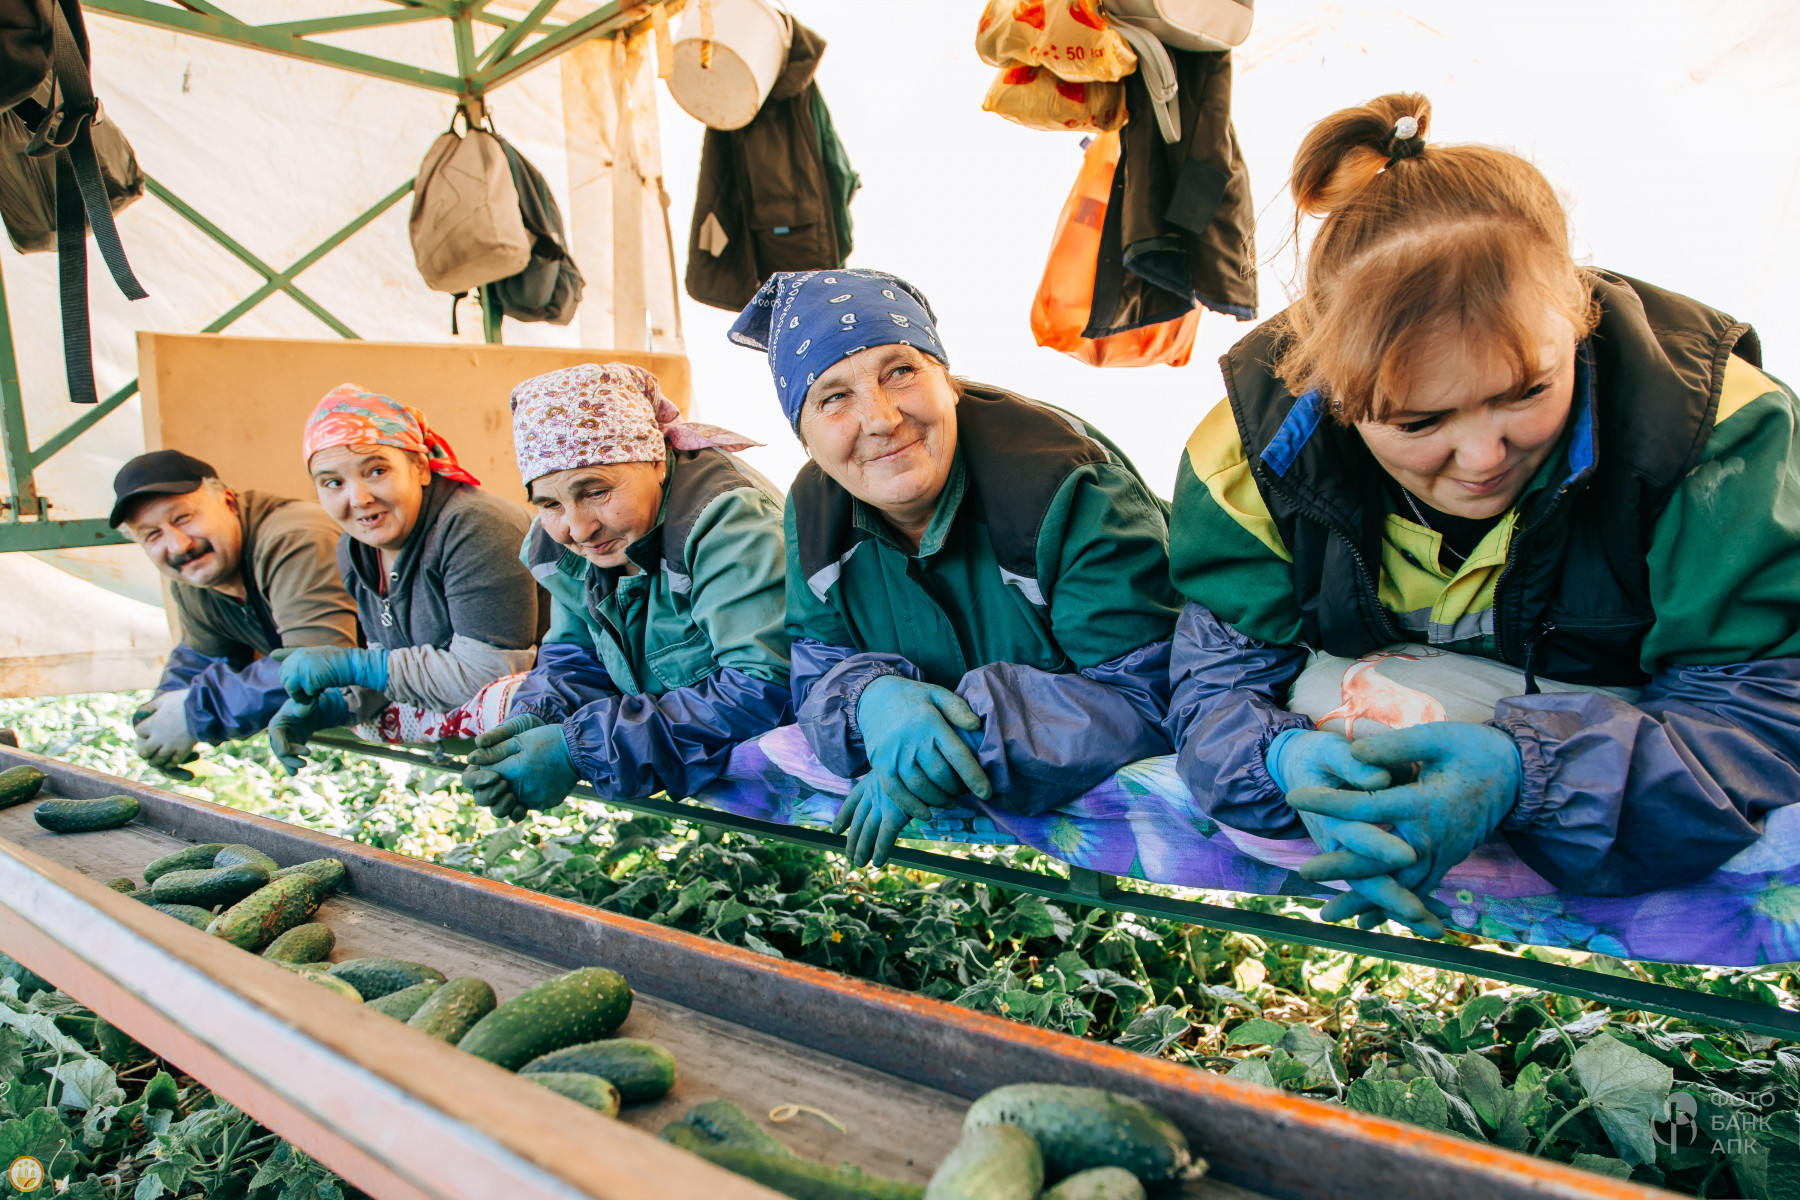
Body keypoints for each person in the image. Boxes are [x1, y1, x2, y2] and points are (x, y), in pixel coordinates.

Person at [1165, 93, 1800, 935]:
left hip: (1632, 716)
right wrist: (1277, 758)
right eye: (1418, 422)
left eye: (1527, 392)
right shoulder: (1247, 456)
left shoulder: (1715, 437)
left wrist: (1531, 773)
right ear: (1334, 393)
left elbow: (1760, 709)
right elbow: (1215, 682)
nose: (1483, 457)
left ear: (1577, 319)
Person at [730, 269, 1183, 868]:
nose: (881, 418)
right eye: (833, 397)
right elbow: (817, 669)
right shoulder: (815, 512)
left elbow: (1147, 693)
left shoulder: (1066, 489)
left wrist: (958, 742)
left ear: (949, 382)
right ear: (804, 436)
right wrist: (870, 699)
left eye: (901, 371)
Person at [458, 363, 792, 821]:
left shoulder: (729, 523)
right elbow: (576, 654)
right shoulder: (559, 543)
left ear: (656, 461)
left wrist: (583, 750)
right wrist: (538, 716)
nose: (579, 528)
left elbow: (763, 688)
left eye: (595, 491)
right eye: (550, 503)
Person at [269, 385, 539, 772]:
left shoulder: (478, 527)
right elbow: (395, 666)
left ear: (421, 467)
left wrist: (355, 666)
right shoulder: (355, 548)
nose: (359, 499)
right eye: (333, 483)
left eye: (377, 471)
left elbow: (487, 676)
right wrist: (332, 706)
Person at [110, 450, 360, 778]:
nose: (179, 545)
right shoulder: (194, 576)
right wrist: (157, 720)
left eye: (183, 518)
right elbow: (203, 653)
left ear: (228, 501)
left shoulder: (295, 537)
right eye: (152, 535)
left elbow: (319, 661)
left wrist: (194, 712)